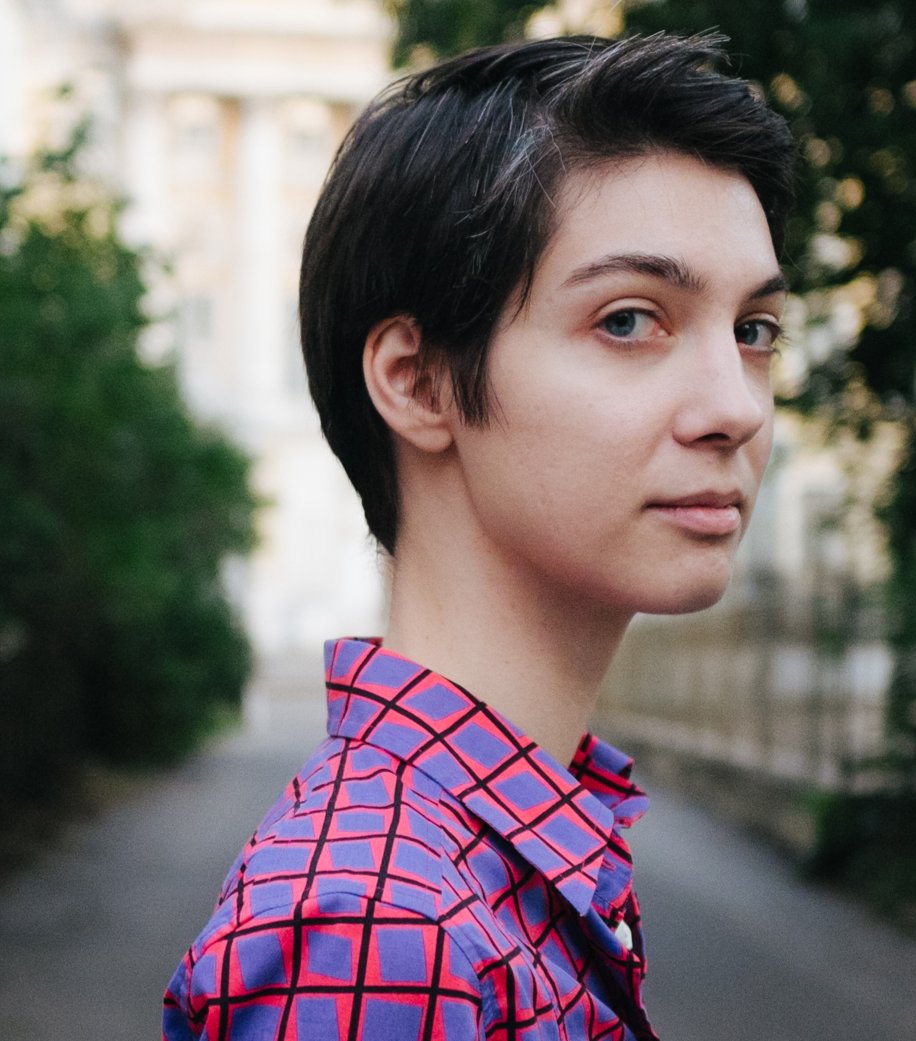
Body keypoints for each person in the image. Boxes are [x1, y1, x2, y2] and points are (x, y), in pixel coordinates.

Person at [163, 32, 795, 1041]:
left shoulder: (479, 863)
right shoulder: (377, 930)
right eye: (629, 320)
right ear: (416, 383)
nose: (737, 407)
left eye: (753, 331)